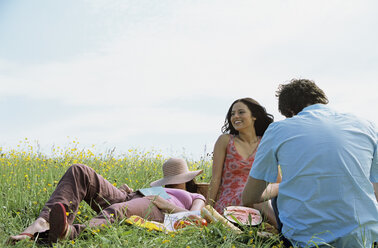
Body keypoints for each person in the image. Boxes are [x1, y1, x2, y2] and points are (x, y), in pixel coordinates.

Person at [242, 79, 378, 247]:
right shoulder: (368, 126)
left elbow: (249, 196)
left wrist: (280, 187)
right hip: (365, 238)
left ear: (290, 111)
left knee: (278, 197)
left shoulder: (278, 130)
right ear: (321, 99)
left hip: (306, 241)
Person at [9, 157, 206, 244]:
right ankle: (44, 222)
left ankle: (69, 233)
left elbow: (196, 218)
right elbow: (134, 199)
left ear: (188, 180)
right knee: (80, 171)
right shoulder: (158, 189)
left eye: (177, 182)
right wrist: (130, 192)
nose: (172, 185)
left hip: (157, 208)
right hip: (135, 197)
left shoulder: (195, 196)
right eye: (169, 182)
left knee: (120, 209)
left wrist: (166, 204)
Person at [207, 97, 280, 227]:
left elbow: (277, 180)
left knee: (259, 194)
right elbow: (215, 178)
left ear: (254, 116)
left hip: (261, 199)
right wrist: (208, 208)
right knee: (254, 195)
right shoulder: (225, 140)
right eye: (232, 114)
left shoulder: (265, 142)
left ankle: (282, 229)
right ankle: (283, 232)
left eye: (241, 112)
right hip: (231, 200)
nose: (235, 116)